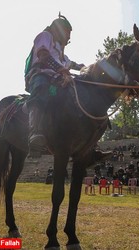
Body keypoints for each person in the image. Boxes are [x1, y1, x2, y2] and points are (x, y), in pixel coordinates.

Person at [24, 13, 111, 160]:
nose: (69, 38)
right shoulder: (45, 36)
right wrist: (61, 69)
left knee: (84, 96)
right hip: (40, 75)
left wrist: (91, 68)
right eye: (68, 33)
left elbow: (74, 64)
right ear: (58, 29)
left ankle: (90, 147)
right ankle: (35, 133)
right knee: (41, 90)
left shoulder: (60, 51)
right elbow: (44, 55)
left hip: (58, 79)